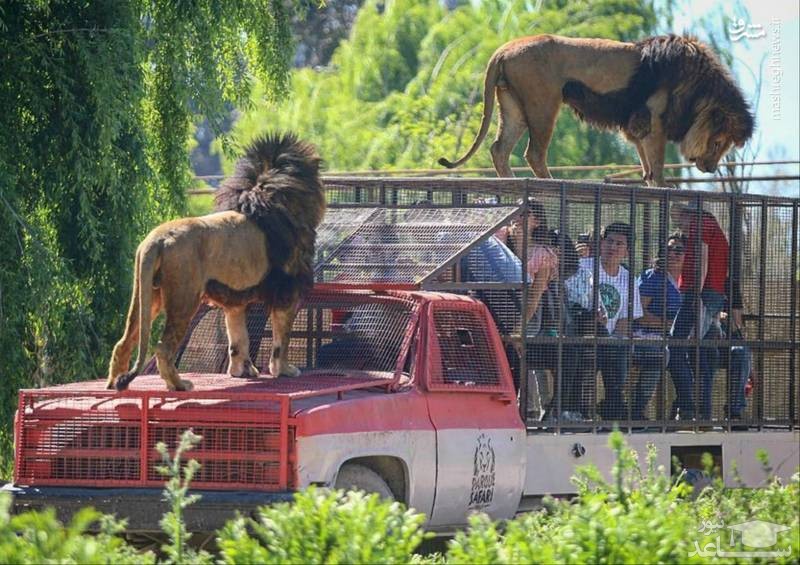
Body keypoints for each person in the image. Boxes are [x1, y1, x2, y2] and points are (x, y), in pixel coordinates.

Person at [565, 222, 643, 420]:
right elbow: (568, 302)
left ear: (626, 251)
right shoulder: (583, 266)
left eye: (619, 244)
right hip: (581, 335)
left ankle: (614, 410)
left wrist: (613, 340)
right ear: (601, 244)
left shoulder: (629, 279)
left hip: (610, 340)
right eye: (609, 241)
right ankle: (579, 411)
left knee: (619, 349)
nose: (613, 247)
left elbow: (625, 319)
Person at [669, 202, 729, 421]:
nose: (679, 226)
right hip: (712, 293)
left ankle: (687, 404)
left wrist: (697, 294)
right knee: (703, 353)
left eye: (679, 218)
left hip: (701, 293)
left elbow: (702, 260)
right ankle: (701, 411)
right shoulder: (714, 227)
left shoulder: (701, 224)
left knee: (674, 348)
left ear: (688, 214)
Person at [631, 233, 686, 420]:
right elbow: (637, 313)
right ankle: (638, 409)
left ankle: (683, 409)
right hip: (647, 335)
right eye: (669, 249)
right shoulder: (653, 277)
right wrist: (666, 324)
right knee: (658, 353)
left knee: (702, 355)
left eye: (679, 250)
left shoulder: (692, 280)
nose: (673, 253)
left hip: (680, 339)